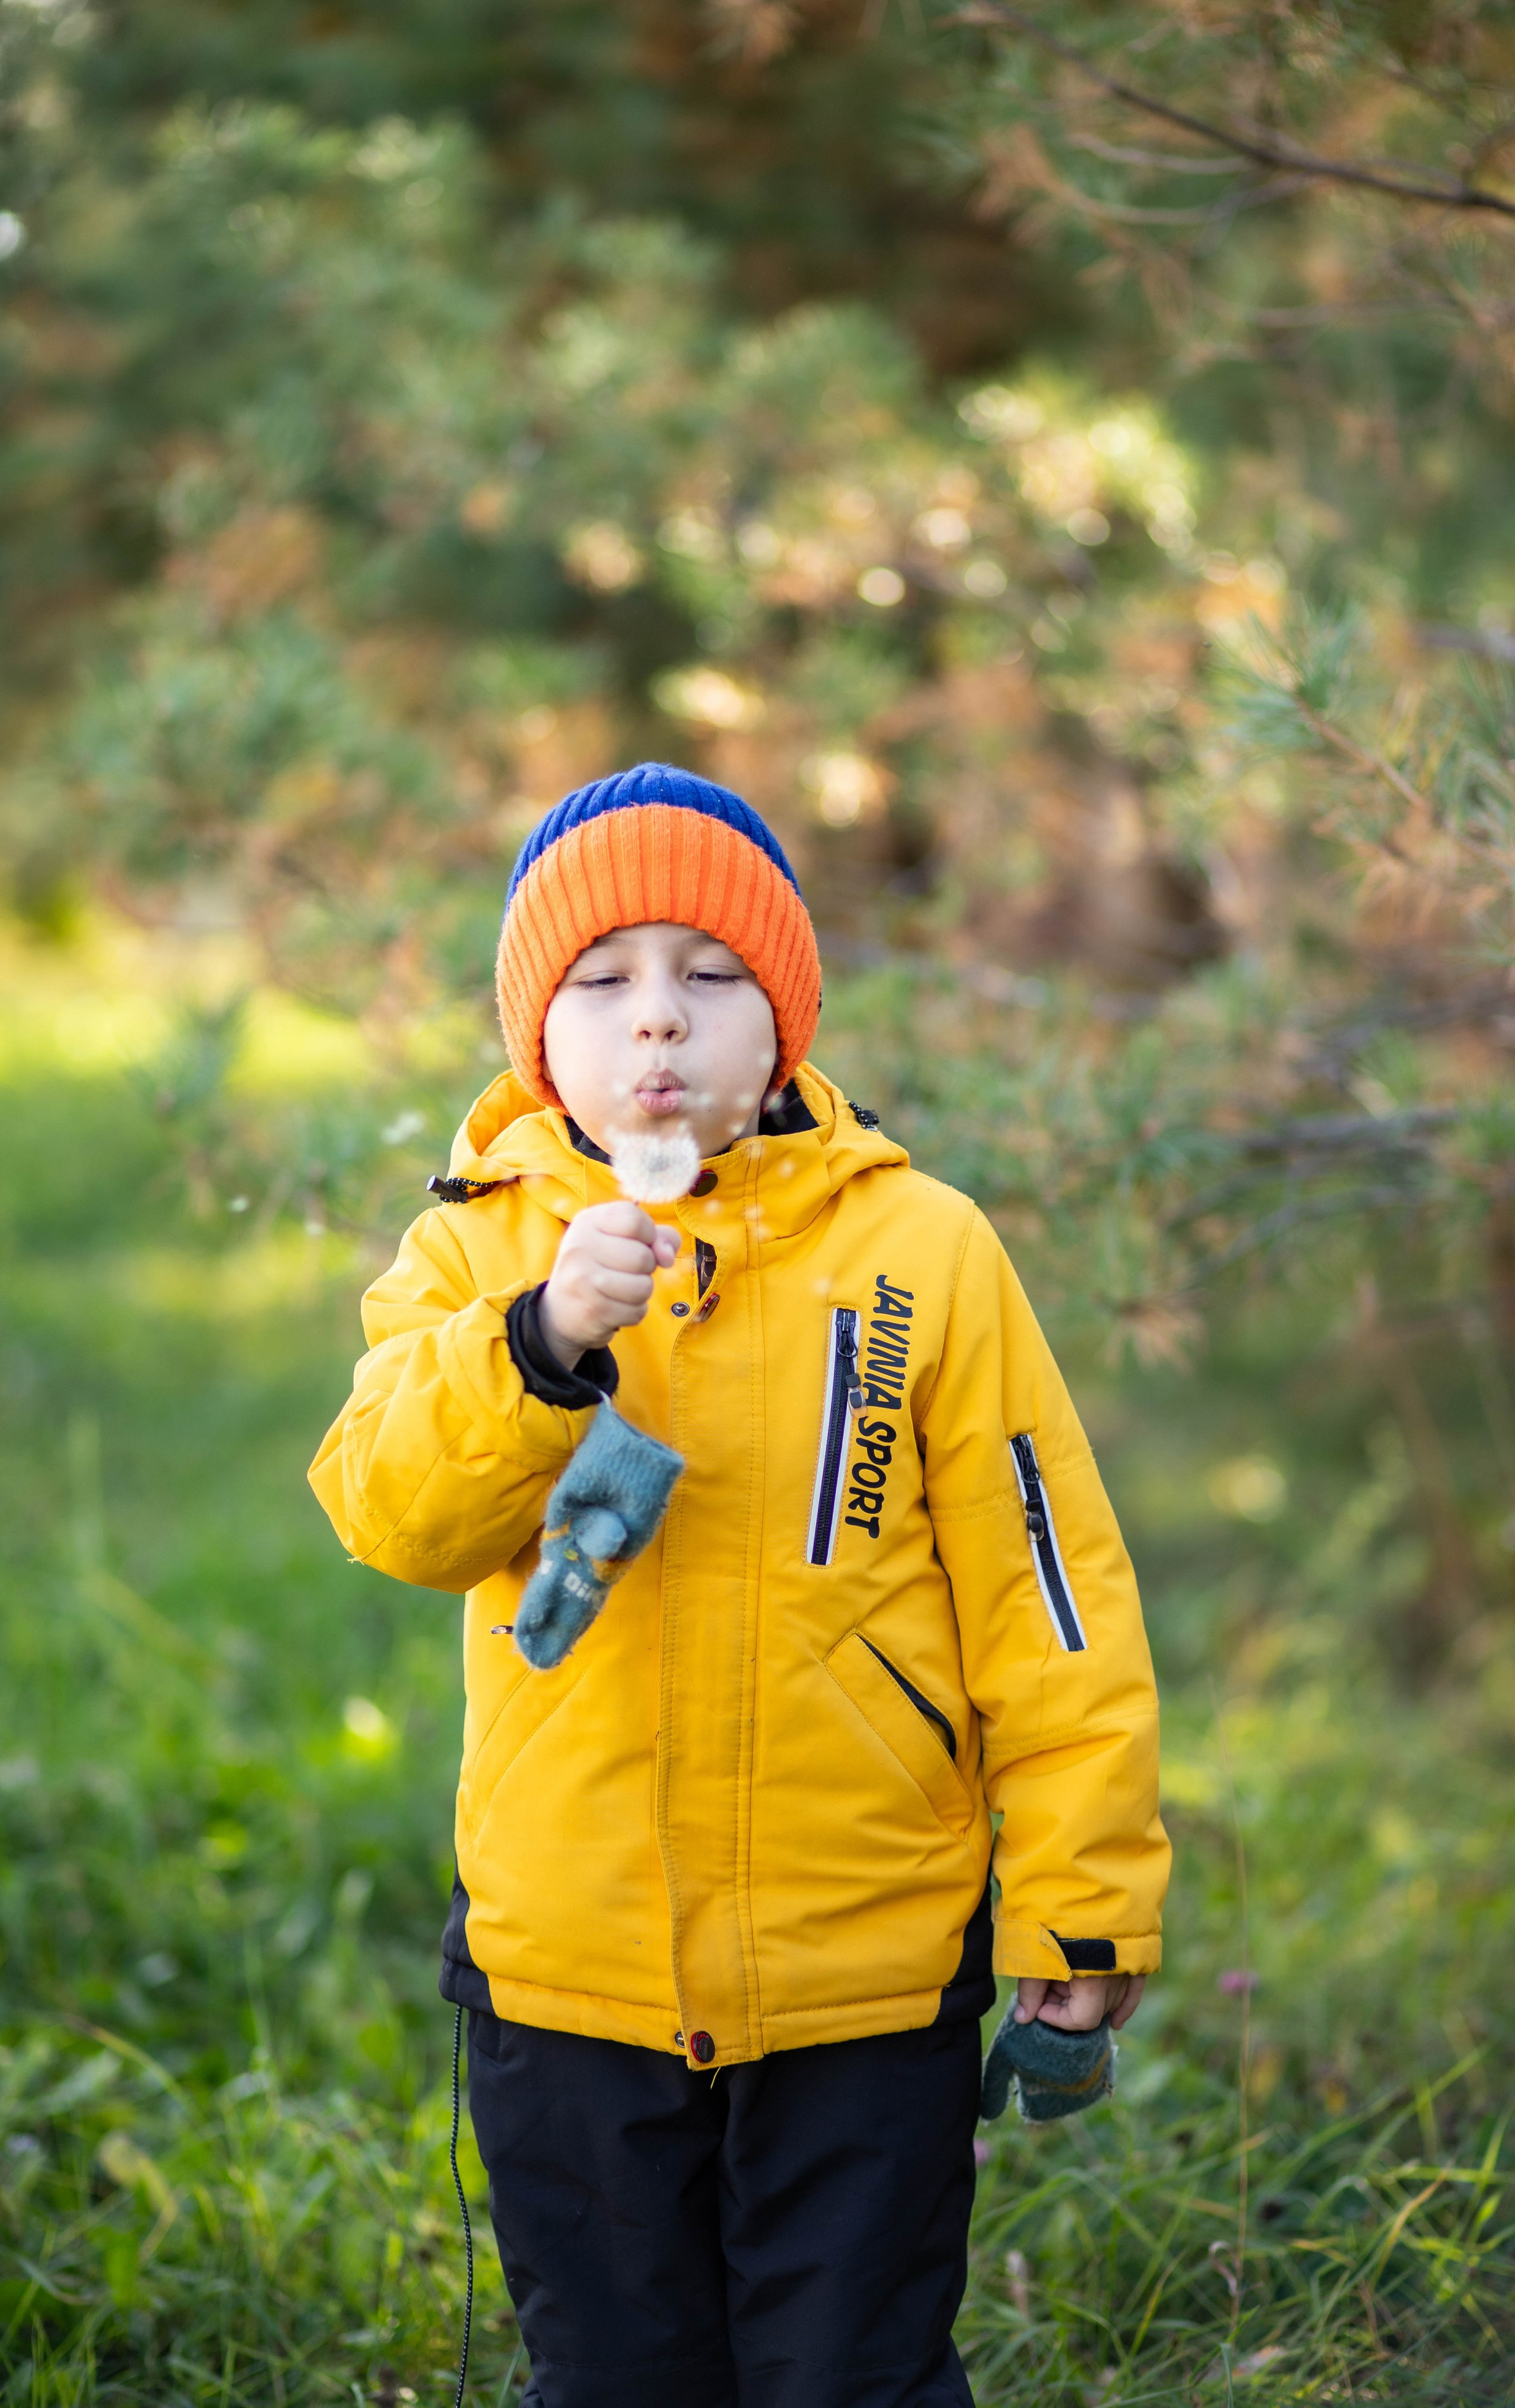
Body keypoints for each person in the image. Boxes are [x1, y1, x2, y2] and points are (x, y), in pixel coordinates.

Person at [310, 764, 1169, 2408]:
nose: (658, 1028)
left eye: (711, 979)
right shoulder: (481, 1257)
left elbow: (1046, 1592)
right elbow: (386, 1511)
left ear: (780, 1021)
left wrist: (1082, 1888)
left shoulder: (920, 1250)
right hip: (570, 1970)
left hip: (864, 1970)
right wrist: (540, 1346)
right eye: (602, 983)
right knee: (620, 2373)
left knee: (852, 2374)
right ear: (532, 1039)